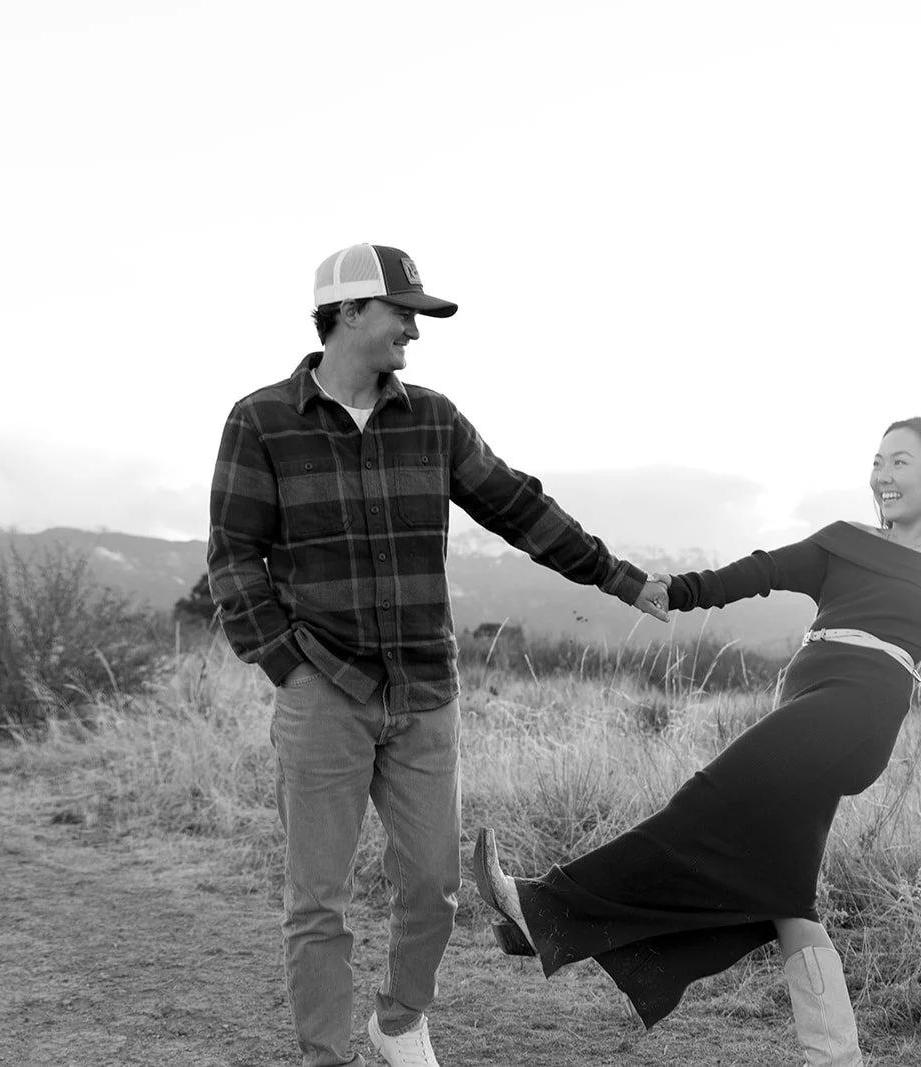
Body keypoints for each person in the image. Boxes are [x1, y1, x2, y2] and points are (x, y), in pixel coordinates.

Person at [207, 242, 669, 1067]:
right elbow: (234, 554)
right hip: (323, 688)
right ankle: (325, 1054)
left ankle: (397, 1017)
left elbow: (519, 507)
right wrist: (284, 661)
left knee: (433, 886)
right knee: (318, 898)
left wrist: (621, 579)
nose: (414, 335)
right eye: (403, 315)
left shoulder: (434, 420)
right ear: (349, 312)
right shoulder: (261, 420)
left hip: (424, 687)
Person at [473, 416, 921, 1066]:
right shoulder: (849, 541)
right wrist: (674, 589)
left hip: (856, 714)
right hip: (807, 703)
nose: (882, 474)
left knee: (706, 797)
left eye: (900, 461)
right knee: (791, 899)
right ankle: (835, 1055)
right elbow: (762, 570)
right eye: (877, 460)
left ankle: (545, 908)